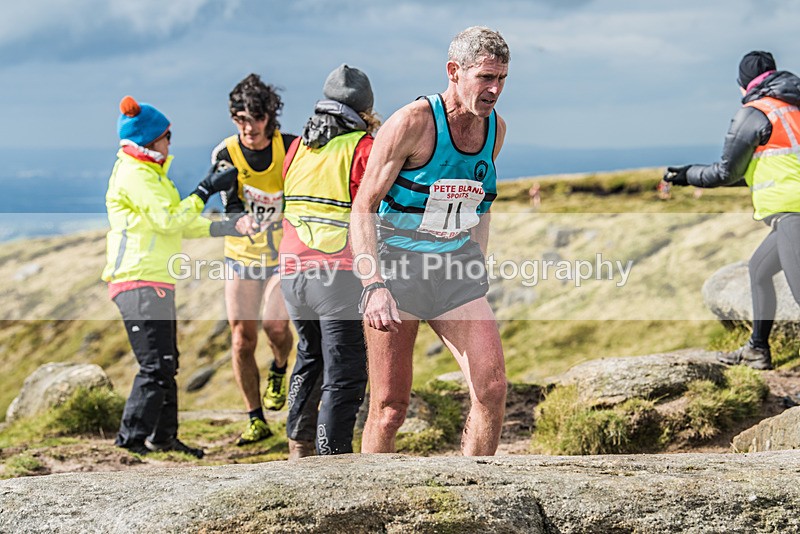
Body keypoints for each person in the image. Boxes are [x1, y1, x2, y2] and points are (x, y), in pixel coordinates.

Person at [350, 26, 509, 456]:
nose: (494, 90)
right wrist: (373, 285)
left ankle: (478, 497)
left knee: (491, 388)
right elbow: (364, 205)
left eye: (502, 80)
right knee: (389, 408)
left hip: (453, 266)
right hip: (396, 269)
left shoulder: (495, 130)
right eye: (486, 78)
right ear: (454, 71)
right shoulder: (412, 122)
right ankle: (369, 501)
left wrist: (477, 259)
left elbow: (480, 202)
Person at [103, 95, 253, 457]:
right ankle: (130, 442)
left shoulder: (152, 175)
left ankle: (164, 437)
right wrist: (206, 188)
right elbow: (169, 219)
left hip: (153, 280)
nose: (171, 142)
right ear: (152, 139)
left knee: (167, 363)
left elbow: (180, 222)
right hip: (137, 280)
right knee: (155, 366)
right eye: (167, 136)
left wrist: (225, 228)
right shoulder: (136, 175)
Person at [664, 50, 800, 370]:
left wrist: (686, 175)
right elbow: (771, 167)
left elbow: (727, 171)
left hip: (794, 213)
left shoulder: (755, 113)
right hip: (790, 215)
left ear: (743, 84)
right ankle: (756, 350)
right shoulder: (794, 107)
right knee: (759, 270)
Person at [279, 64, 378, 458]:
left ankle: (298, 448)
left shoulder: (297, 148)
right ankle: (332, 461)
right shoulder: (361, 147)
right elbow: (373, 208)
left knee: (310, 358)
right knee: (345, 373)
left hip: (291, 274)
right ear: (364, 109)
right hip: (335, 275)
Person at [211, 74, 296, 445]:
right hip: (241, 256)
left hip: (282, 254)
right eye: (240, 119)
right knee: (241, 339)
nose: (248, 127)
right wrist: (237, 219)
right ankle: (255, 418)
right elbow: (227, 206)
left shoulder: (291, 147)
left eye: (255, 118)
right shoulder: (224, 153)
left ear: (269, 116)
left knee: (275, 328)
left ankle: (279, 368)